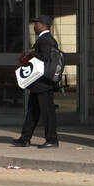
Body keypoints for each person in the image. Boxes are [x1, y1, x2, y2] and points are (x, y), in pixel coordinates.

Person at [14, 14, 59, 149]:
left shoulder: (45, 40)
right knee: (33, 111)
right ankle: (25, 138)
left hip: (44, 84)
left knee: (47, 112)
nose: (34, 26)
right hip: (38, 84)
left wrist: (32, 52)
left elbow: (45, 57)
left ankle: (52, 140)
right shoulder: (44, 39)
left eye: (37, 23)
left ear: (44, 25)